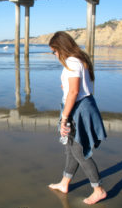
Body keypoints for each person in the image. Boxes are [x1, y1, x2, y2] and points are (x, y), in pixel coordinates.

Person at [48, 31, 107, 205]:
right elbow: (78, 86)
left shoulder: (72, 62)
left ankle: (99, 190)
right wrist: (66, 85)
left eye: (55, 51)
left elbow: (74, 92)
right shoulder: (81, 59)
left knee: (79, 152)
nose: (55, 55)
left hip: (77, 109)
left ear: (61, 47)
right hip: (84, 104)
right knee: (71, 148)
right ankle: (65, 183)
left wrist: (64, 118)